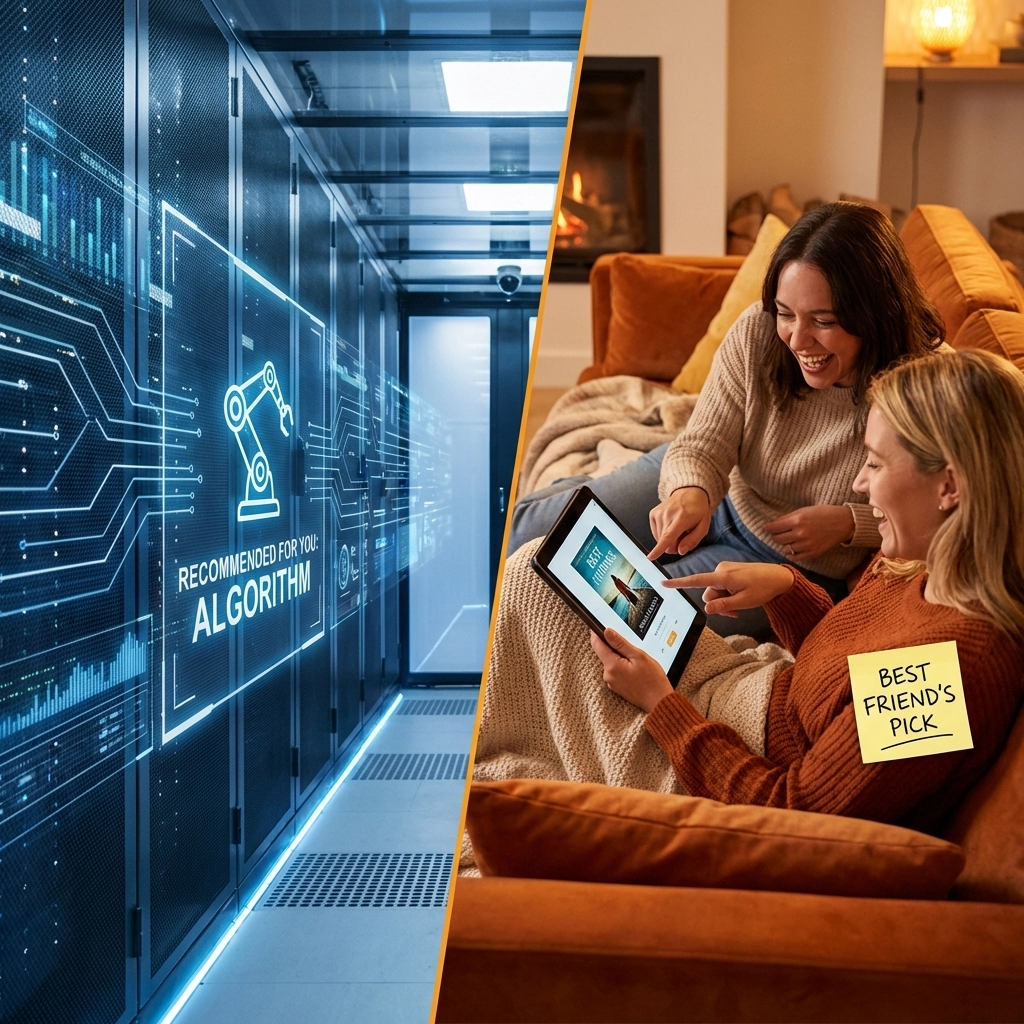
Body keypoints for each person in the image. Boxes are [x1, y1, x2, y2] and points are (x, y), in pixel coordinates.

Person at [476, 350, 1024, 833]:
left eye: (876, 464)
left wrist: (660, 705)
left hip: (718, 768)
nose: (858, 484)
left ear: (949, 485)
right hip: (748, 697)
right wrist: (786, 588)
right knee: (540, 573)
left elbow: (792, 814)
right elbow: (842, 683)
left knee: (538, 594)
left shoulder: (953, 671)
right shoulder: (919, 560)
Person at [510, 202, 945, 639]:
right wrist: (689, 490)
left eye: (823, 321)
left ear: (876, 311)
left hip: (783, 564)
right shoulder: (758, 332)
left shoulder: (925, 383)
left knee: (626, 619)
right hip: (719, 493)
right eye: (786, 313)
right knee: (524, 532)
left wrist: (851, 523)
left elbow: (947, 503)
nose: (797, 339)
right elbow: (702, 443)